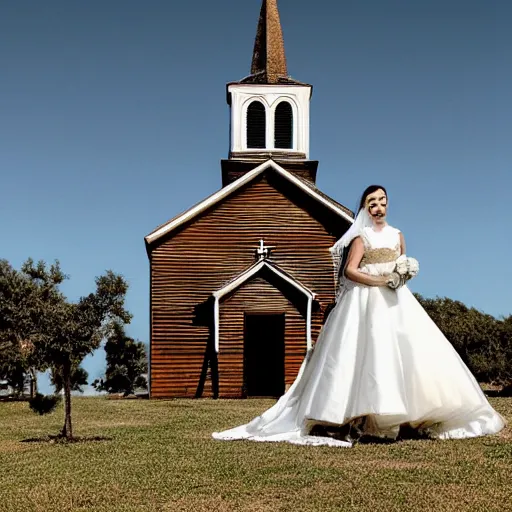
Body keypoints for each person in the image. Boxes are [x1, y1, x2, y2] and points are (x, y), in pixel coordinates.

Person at [212, 186, 505, 447]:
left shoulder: (398, 235)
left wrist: (401, 276)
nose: (378, 206)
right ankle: (364, 415)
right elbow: (350, 270)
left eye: (382, 201)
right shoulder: (360, 237)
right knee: (371, 352)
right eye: (372, 202)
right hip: (366, 300)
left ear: (388, 204)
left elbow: (401, 263)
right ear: (365, 208)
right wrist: (380, 281)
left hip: (398, 301)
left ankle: (411, 415)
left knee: (409, 352)